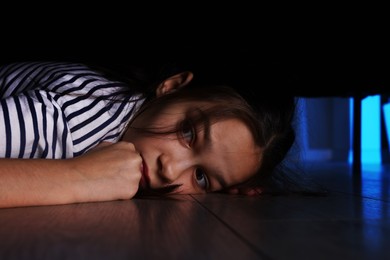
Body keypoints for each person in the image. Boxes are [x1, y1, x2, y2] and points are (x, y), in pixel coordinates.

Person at [0, 60, 298, 208]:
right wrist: (78, 176)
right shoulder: (69, 117)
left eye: (202, 176)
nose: (170, 171)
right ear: (172, 87)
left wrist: (235, 177)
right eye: (188, 133)